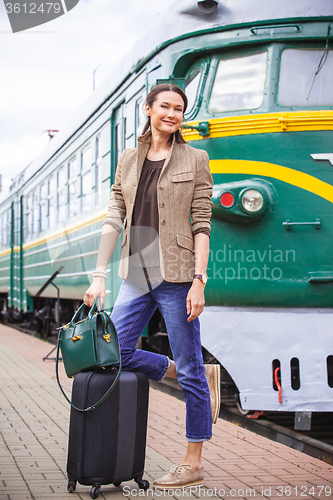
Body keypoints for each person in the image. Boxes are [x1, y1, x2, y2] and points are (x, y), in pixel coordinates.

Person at [84, 83, 221, 489]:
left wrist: (199, 280)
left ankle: (193, 461)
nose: (173, 113)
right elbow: (114, 217)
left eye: (179, 108)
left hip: (178, 277)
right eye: (165, 106)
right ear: (148, 109)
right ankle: (179, 370)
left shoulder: (195, 158)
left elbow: (201, 223)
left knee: (193, 371)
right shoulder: (128, 159)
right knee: (109, 352)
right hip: (136, 274)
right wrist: (98, 274)